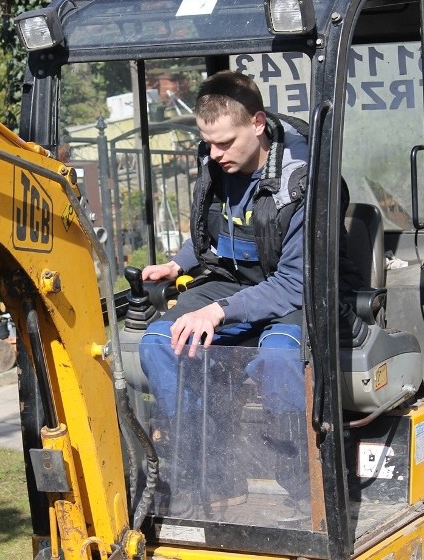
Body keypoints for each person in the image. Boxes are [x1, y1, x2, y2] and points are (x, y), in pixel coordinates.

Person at [138, 70, 313, 517]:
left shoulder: (300, 182)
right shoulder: (217, 163)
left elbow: (292, 285)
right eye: (208, 143)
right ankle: (217, 474)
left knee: (278, 360)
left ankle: (306, 491)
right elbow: (215, 230)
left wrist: (218, 311)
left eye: (224, 143)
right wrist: (181, 262)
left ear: (257, 124)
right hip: (231, 286)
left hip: (288, 296)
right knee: (158, 344)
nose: (214, 155)